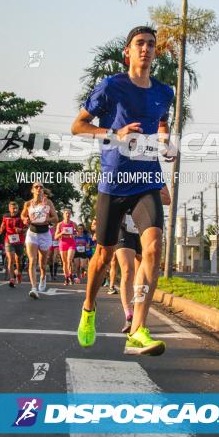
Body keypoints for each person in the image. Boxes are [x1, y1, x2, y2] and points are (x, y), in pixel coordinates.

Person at [71, 25, 176, 356]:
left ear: (155, 53)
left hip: (147, 180)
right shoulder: (112, 86)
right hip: (115, 180)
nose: (145, 49)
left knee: (154, 250)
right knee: (102, 258)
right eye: (139, 44)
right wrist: (113, 133)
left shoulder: (164, 92)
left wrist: (165, 141)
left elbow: (161, 122)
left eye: (150, 44)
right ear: (127, 52)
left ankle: (138, 329)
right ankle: (88, 309)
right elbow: (78, 126)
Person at [114, 185, 170, 333]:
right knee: (127, 270)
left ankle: (137, 312)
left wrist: (147, 195)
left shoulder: (151, 169)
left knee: (141, 273)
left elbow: (167, 198)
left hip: (143, 229)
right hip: (123, 227)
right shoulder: (120, 168)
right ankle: (129, 315)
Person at [21, 182, 59, 299]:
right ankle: (33, 288)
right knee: (32, 260)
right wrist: (25, 220)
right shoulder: (27, 204)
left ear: (43, 190)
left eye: (41, 187)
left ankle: (43, 276)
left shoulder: (48, 203)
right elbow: (22, 216)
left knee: (42, 264)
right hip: (32, 234)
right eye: (36, 187)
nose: (39, 188)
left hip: (44, 234)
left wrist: (47, 220)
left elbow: (56, 219)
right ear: (32, 190)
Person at [0, 201, 25, 287]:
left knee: (19, 260)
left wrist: (21, 230)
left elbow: (27, 228)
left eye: (16, 208)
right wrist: (1, 229)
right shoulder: (6, 216)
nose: (15, 210)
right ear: (9, 209)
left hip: (20, 241)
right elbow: (3, 224)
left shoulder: (21, 216)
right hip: (9, 240)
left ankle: (19, 273)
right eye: (13, 208)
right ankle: (12, 279)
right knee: (11, 259)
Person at [54, 209, 77, 285]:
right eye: (66, 213)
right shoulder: (60, 224)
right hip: (63, 244)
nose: (68, 215)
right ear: (63, 215)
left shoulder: (73, 224)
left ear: (71, 215)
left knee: (69, 260)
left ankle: (71, 275)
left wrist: (73, 235)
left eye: (69, 213)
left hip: (71, 243)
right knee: (64, 262)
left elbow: (77, 233)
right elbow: (55, 237)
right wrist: (62, 233)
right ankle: (66, 278)